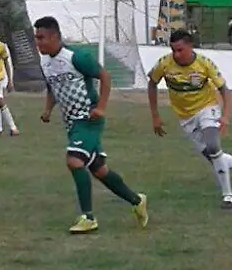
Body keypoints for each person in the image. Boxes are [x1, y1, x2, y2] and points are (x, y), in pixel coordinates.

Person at [35, 16, 149, 234]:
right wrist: (48, 109)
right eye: (36, 38)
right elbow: (52, 87)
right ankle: (136, 200)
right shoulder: (46, 63)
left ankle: (88, 217)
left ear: (55, 37)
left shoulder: (77, 58)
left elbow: (105, 77)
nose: (38, 42)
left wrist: (102, 108)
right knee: (99, 170)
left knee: (74, 161)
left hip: (88, 119)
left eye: (42, 38)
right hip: (71, 123)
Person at [147, 29, 232, 210]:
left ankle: (228, 197)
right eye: (173, 50)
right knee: (214, 157)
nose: (176, 54)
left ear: (190, 46)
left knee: (213, 147)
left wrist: (225, 117)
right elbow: (152, 83)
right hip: (185, 117)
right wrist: (155, 115)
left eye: (180, 50)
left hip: (207, 109)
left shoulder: (204, 64)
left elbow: (225, 90)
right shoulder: (164, 64)